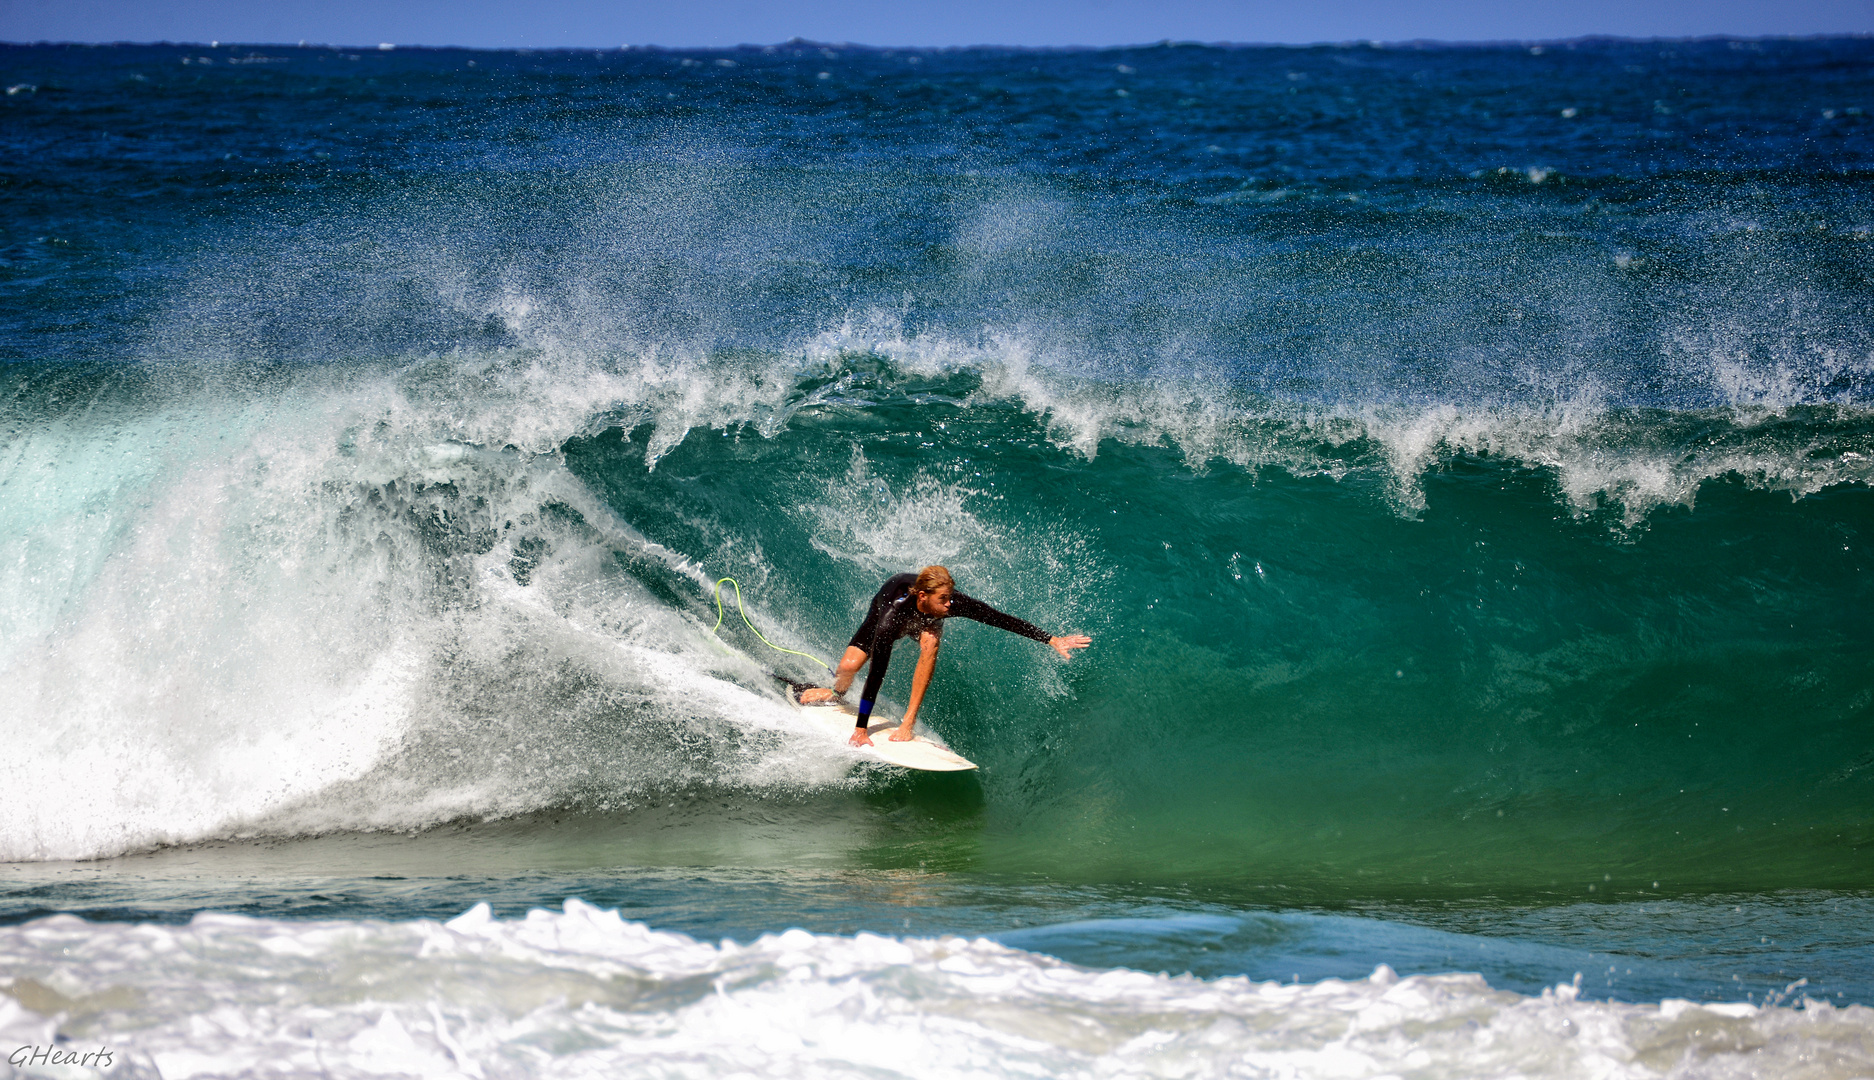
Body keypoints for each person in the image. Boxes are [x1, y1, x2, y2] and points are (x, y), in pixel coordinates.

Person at [797, 565, 1092, 746]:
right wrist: (861, 729)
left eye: (951, 597)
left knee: (931, 642)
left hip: (924, 621)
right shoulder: (890, 618)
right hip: (886, 612)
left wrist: (1051, 639)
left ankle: (908, 722)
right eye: (944, 599)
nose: (951, 605)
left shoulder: (947, 603)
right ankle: (836, 692)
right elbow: (877, 673)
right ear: (923, 596)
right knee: (849, 667)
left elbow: (996, 617)